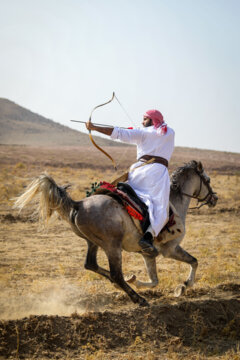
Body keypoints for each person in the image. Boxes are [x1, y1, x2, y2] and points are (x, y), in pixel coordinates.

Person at [86, 109, 175, 257]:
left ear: (153, 120)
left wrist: (94, 127)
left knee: (129, 196)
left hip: (139, 172)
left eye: (145, 119)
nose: (142, 121)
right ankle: (148, 237)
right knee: (160, 208)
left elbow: (119, 133)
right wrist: (136, 131)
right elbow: (154, 132)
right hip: (157, 174)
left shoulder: (142, 133)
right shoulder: (170, 132)